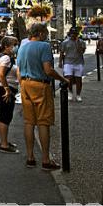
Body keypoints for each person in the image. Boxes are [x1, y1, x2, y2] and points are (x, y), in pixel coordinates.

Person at [16, 23, 69, 171]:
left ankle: (30, 157)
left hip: (25, 85)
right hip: (40, 85)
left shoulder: (23, 47)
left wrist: (23, 84)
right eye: (45, 33)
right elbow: (48, 70)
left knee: (29, 122)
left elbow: (19, 70)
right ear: (39, 33)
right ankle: (46, 159)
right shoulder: (44, 46)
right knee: (43, 122)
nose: (46, 36)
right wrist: (63, 79)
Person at [0, 36, 20, 153]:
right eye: (14, 45)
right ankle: (4, 144)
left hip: (5, 88)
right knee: (5, 116)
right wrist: (7, 89)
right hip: (6, 89)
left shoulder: (3, 57)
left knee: (6, 115)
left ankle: (4, 141)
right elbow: (1, 75)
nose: (15, 47)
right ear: (6, 46)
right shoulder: (6, 59)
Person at [59, 27, 86, 102]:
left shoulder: (81, 42)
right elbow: (61, 52)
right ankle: (70, 92)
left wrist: (77, 44)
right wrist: (60, 62)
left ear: (77, 34)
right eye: (72, 34)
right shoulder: (65, 42)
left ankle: (78, 95)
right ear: (70, 34)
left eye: (75, 34)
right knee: (69, 78)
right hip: (68, 62)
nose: (73, 35)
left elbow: (82, 52)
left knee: (78, 79)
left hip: (79, 62)